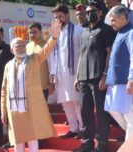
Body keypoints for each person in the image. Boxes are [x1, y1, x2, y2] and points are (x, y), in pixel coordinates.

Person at [1, 20, 61, 152]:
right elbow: (4, 90)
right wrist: (3, 111)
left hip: (31, 106)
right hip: (14, 109)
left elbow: (46, 50)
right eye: (18, 46)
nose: (22, 48)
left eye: (23, 45)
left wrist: (54, 37)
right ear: (12, 50)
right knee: (18, 139)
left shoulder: (33, 59)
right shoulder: (8, 66)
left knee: (32, 137)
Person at [74, 1, 116, 152]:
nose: (90, 14)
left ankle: (102, 144)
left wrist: (105, 75)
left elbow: (110, 54)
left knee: (101, 112)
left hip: (99, 78)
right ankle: (87, 143)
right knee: (85, 112)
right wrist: (77, 77)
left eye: (93, 11)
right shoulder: (84, 32)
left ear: (100, 13)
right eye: (88, 11)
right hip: (84, 78)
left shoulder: (107, 30)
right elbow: (81, 56)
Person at [49, 4, 84, 139]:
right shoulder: (55, 33)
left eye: (60, 16)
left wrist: (81, 74)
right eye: (56, 17)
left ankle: (83, 128)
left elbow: (83, 52)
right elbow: (51, 54)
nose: (58, 19)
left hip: (75, 73)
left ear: (68, 15)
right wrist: (52, 73)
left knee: (77, 103)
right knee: (66, 104)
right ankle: (73, 129)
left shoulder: (79, 30)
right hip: (61, 74)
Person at [104, 5, 133, 141]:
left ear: (123, 18)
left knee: (129, 116)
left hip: (124, 82)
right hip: (114, 82)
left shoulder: (131, 32)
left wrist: (131, 79)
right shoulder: (120, 33)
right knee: (112, 109)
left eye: (114, 20)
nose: (111, 23)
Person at [26, 23, 54, 101]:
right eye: (30, 33)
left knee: (42, 111)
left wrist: (52, 84)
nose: (32, 35)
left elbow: (52, 65)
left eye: (35, 32)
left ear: (41, 32)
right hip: (30, 86)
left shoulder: (46, 45)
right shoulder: (28, 46)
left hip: (43, 86)